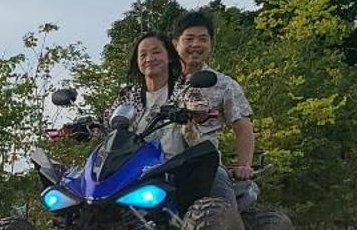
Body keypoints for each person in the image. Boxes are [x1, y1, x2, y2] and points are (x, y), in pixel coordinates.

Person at [102, 32, 228, 209]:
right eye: (143, 55)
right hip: (135, 171)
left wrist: (190, 111)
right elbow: (108, 122)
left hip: (178, 167)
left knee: (218, 189)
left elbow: (199, 106)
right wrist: (81, 128)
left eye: (156, 52)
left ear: (169, 56)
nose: (149, 58)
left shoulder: (183, 89)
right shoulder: (127, 95)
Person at [171, 11, 256, 195]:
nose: (196, 45)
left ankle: (229, 222)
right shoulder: (160, 82)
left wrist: (244, 166)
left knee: (220, 199)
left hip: (203, 165)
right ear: (175, 43)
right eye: (189, 39)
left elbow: (243, 126)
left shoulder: (225, 84)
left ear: (210, 44)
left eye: (203, 39)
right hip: (158, 162)